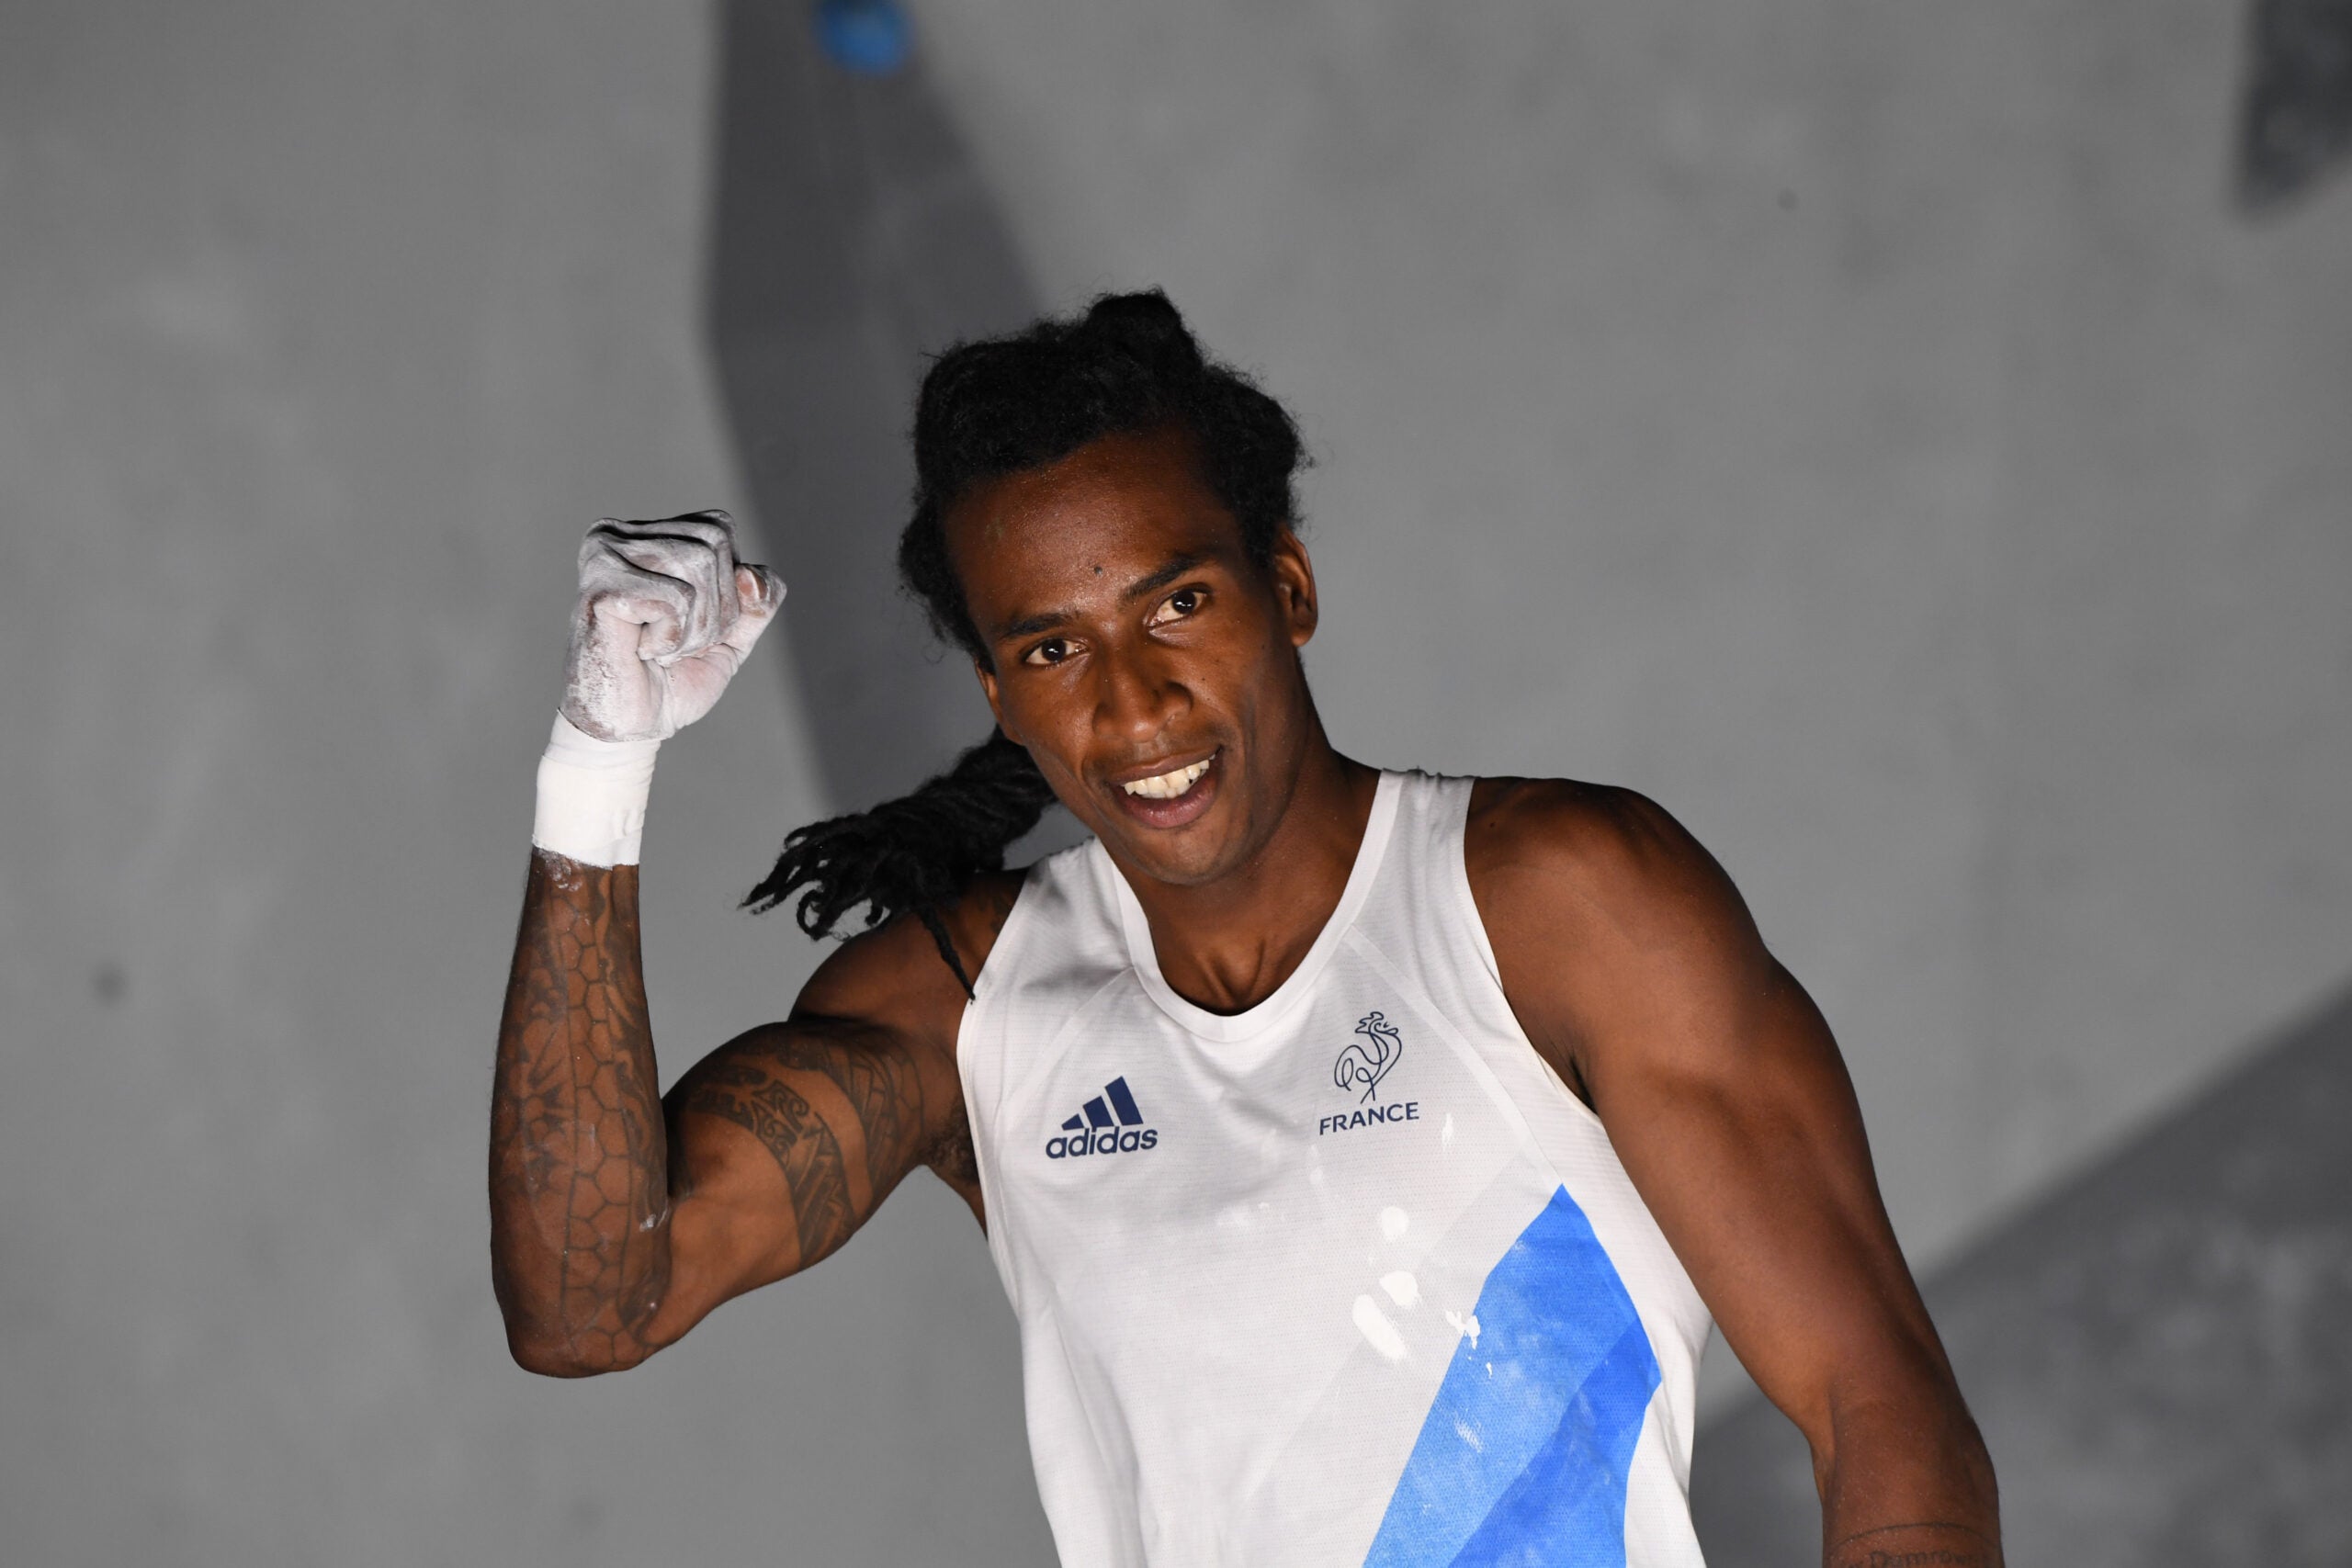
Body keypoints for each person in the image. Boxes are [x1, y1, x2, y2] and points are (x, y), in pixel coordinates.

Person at [489, 291, 2000, 1567]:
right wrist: (597, 767)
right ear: (1000, 698)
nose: (1133, 702)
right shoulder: (968, 1010)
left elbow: (1880, 1406)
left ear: (1288, 587)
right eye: (1053, 647)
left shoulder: (1558, 903)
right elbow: (586, 1306)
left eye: (1180, 605)